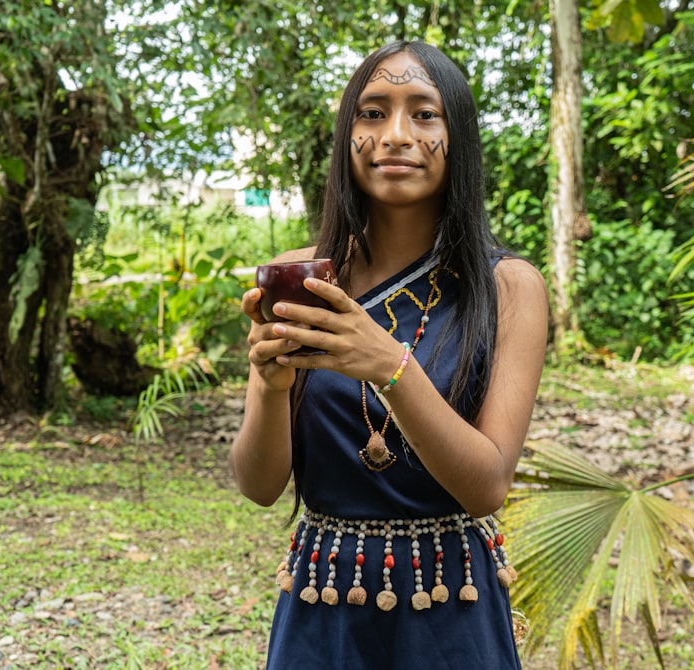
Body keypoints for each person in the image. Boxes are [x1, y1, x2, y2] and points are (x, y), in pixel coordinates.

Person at [230, 39, 548, 668]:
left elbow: (487, 485)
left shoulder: (509, 286)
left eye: (424, 114)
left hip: (451, 607)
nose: (395, 134)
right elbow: (259, 485)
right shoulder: (303, 278)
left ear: (457, 136)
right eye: (371, 112)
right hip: (324, 608)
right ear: (347, 137)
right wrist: (268, 384)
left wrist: (389, 365)